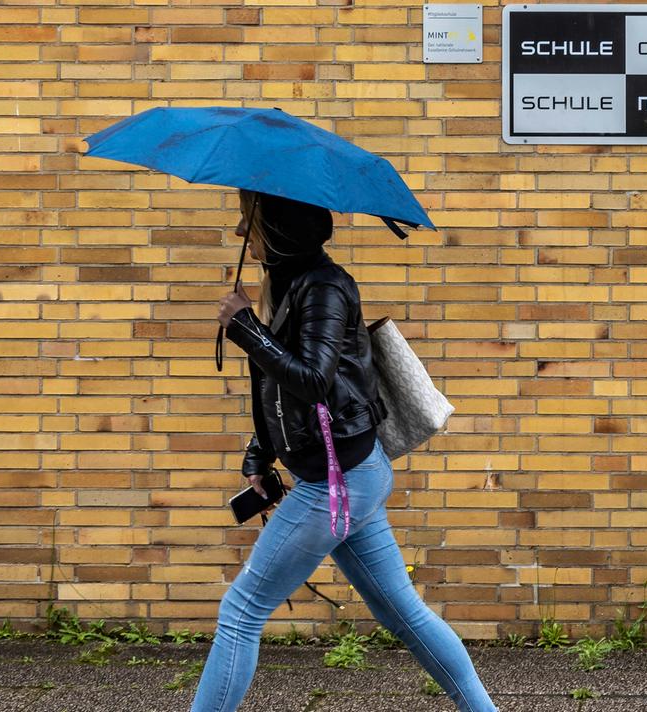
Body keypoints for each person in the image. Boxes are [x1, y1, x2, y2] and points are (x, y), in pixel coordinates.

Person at [191, 189, 499, 712]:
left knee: (241, 610)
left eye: (251, 222)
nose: (243, 234)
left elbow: (312, 380)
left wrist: (246, 329)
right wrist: (259, 454)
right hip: (351, 476)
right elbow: (278, 393)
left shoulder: (326, 288)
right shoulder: (286, 284)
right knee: (404, 613)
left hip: (338, 482)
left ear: (282, 229)